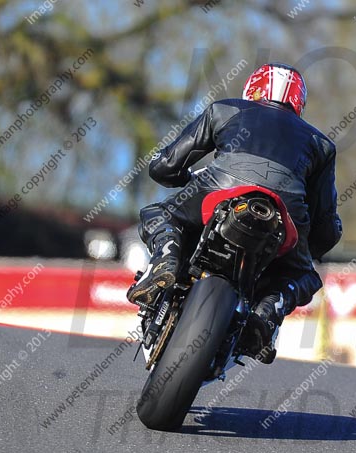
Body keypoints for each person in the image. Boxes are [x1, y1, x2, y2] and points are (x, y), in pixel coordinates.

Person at [126, 63, 342, 363]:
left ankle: (166, 259)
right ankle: (267, 313)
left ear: (250, 90)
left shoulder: (223, 110)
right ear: (298, 103)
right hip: (285, 212)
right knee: (303, 275)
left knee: (160, 213)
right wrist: (306, 252)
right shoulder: (321, 144)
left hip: (220, 188)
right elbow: (327, 226)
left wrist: (180, 178)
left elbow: (165, 166)